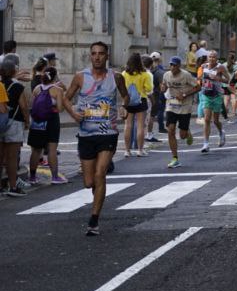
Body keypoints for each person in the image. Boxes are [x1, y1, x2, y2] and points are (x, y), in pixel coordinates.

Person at [64, 43, 128, 235]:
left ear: (107, 56)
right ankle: (97, 194)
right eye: (94, 54)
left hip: (108, 132)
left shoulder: (116, 77)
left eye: (101, 54)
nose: (97, 57)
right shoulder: (81, 77)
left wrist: (124, 107)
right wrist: (74, 114)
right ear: (90, 56)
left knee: (100, 174)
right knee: (89, 182)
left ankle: (94, 220)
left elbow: (126, 96)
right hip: (86, 134)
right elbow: (66, 98)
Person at [27, 58, 66, 185]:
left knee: (36, 150)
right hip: (52, 120)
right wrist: (53, 107)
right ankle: (55, 177)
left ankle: (32, 177)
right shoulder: (57, 90)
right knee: (52, 149)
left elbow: (33, 105)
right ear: (54, 78)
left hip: (37, 121)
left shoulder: (37, 88)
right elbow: (60, 109)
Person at [162, 56, 199, 168]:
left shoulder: (186, 75)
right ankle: (175, 158)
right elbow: (163, 86)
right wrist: (163, 88)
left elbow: (198, 87)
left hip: (185, 107)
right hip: (171, 105)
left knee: (182, 136)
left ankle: (187, 132)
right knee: (171, 129)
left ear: (179, 66)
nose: (172, 67)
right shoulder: (166, 75)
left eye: (174, 65)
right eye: (171, 65)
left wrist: (184, 95)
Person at [1, 59, 30, 196]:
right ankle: (13, 187)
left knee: (1, 157)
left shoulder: (0, 84)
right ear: (14, 71)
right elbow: (24, 106)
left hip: (0, 124)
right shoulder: (17, 86)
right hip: (14, 123)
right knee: (12, 158)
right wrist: (27, 121)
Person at [121, 52, 153, 157]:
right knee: (140, 126)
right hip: (141, 101)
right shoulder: (145, 74)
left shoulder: (124, 74)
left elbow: (121, 88)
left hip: (128, 101)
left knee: (128, 125)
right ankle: (140, 150)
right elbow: (149, 89)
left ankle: (127, 150)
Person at [197, 50, 229, 152]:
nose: (211, 59)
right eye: (210, 57)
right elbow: (199, 78)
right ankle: (206, 144)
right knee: (207, 119)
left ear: (217, 58)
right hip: (206, 94)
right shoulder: (203, 67)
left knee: (215, 120)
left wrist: (217, 78)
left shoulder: (221, 67)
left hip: (217, 95)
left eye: (214, 57)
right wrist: (201, 80)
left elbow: (228, 79)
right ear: (207, 58)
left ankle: (221, 132)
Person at [147, 52, 166, 143]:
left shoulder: (145, 71)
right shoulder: (160, 72)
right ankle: (149, 134)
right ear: (159, 60)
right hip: (154, 96)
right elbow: (163, 87)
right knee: (152, 116)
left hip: (144, 96)